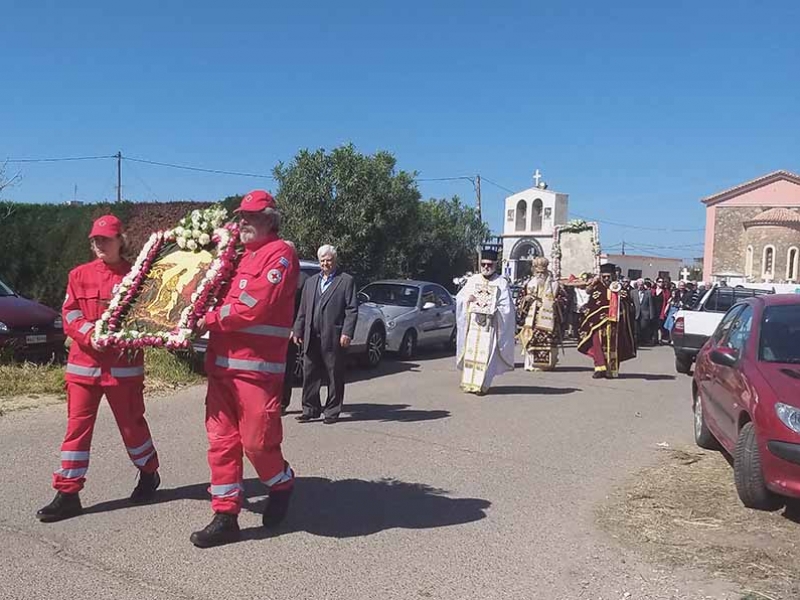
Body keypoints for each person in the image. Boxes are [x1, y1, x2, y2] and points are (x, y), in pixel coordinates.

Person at [191, 190, 299, 548]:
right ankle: (225, 516)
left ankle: (281, 482)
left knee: (257, 443)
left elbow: (254, 304)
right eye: (242, 217)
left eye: (252, 217)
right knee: (221, 443)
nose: (244, 223)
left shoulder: (280, 254)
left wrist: (207, 319)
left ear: (270, 220)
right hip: (221, 367)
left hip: (256, 371)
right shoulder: (234, 257)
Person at [37, 215, 160, 523]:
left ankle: (149, 473)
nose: (100, 244)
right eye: (95, 240)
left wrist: (128, 335)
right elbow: (70, 313)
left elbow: (149, 315)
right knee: (76, 430)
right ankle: (68, 493)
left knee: (132, 427)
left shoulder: (139, 275)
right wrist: (91, 335)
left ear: (121, 240)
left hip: (123, 370)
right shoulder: (78, 275)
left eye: (106, 239)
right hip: (84, 367)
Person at [292, 244, 358, 424]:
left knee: (334, 375)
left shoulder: (346, 281)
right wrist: (298, 329)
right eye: (322, 261)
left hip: (333, 336)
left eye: (328, 260)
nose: (325, 264)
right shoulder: (311, 282)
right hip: (311, 335)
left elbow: (352, 309)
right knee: (310, 373)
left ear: (335, 260)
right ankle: (310, 409)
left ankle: (332, 411)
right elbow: (303, 310)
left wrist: (347, 332)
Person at [455, 250, 515, 394]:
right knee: (470, 353)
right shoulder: (473, 280)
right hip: (473, 325)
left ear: (495, 265)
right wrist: (467, 300)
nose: (486, 267)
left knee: (487, 356)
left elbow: (507, 307)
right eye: (483, 264)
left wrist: (495, 309)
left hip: (490, 326)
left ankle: (483, 385)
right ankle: (469, 382)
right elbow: (460, 298)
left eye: (489, 264)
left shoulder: (501, 282)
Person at [577, 263, 637, 379]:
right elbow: (592, 304)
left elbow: (627, 304)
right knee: (597, 344)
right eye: (603, 276)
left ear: (613, 276)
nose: (606, 279)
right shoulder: (597, 288)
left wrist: (621, 303)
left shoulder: (619, 287)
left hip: (615, 323)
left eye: (608, 276)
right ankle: (599, 368)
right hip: (598, 324)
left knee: (615, 346)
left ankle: (612, 370)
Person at [518, 257, 563, 371]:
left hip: (548, 318)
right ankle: (531, 364)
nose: (540, 275)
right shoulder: (529, 284)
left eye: (542, 273)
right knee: (531, 340)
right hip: (533, 318)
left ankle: (547, 365)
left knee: (548, 341)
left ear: (546, 271)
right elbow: (520, 299)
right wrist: (525, 300)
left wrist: (556, 303)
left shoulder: (554, 284)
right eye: (538, 272)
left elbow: (564, 300)